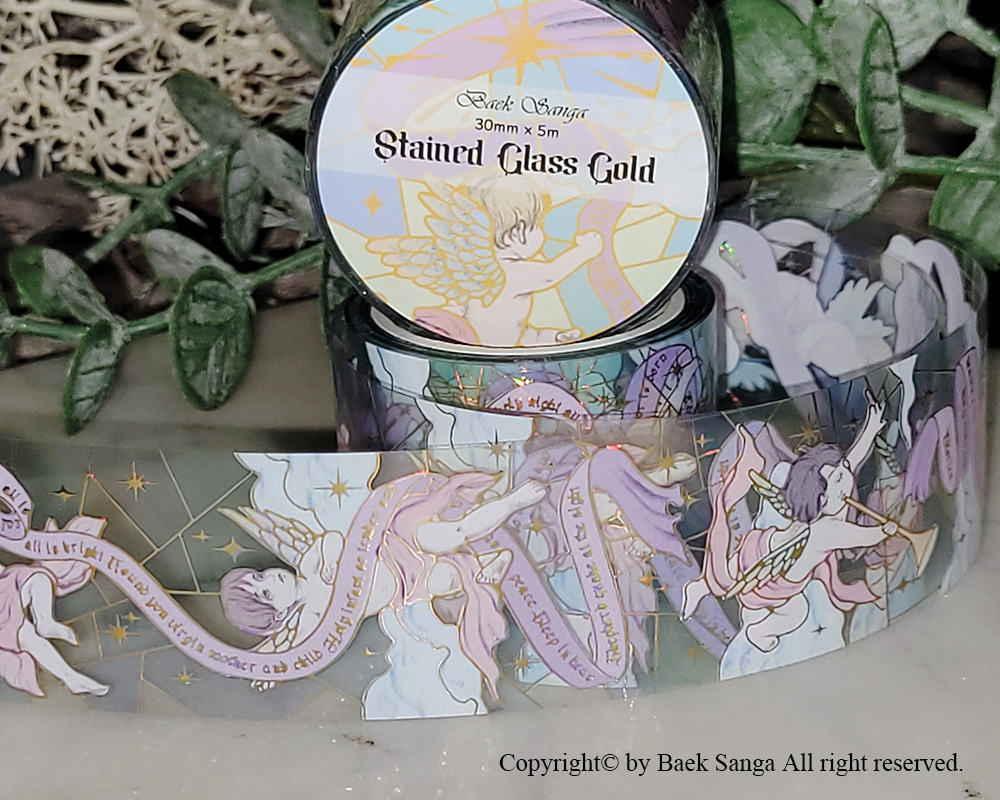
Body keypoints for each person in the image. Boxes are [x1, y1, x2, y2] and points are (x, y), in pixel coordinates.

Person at [682, 397, 935, 652]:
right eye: (837, 480)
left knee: (771, 596)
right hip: (775, 577)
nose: (846, 479)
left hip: (765, 547)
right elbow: (858, 536)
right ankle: (753, 628)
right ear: (821, 499)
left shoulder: (832, 503)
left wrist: (870, 428)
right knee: (796, 613)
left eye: (841, 473)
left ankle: (708, 591)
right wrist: (883, 531)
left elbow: (851, 462)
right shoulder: (827, 530)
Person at [368, 174, 604, 346]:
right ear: (517, 232)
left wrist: (553, 338)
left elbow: (516, 330)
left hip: (488, 342)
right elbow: (550, 275)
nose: (541, 231)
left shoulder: (479, 271)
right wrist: (585, 251)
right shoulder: (513, 272)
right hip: (475, 344)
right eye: (537, 224)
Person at [0, 517, 110, 697]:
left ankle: (45, 622)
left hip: (5, 590)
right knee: (29, 637)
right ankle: (71, 678)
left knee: (38, 578)